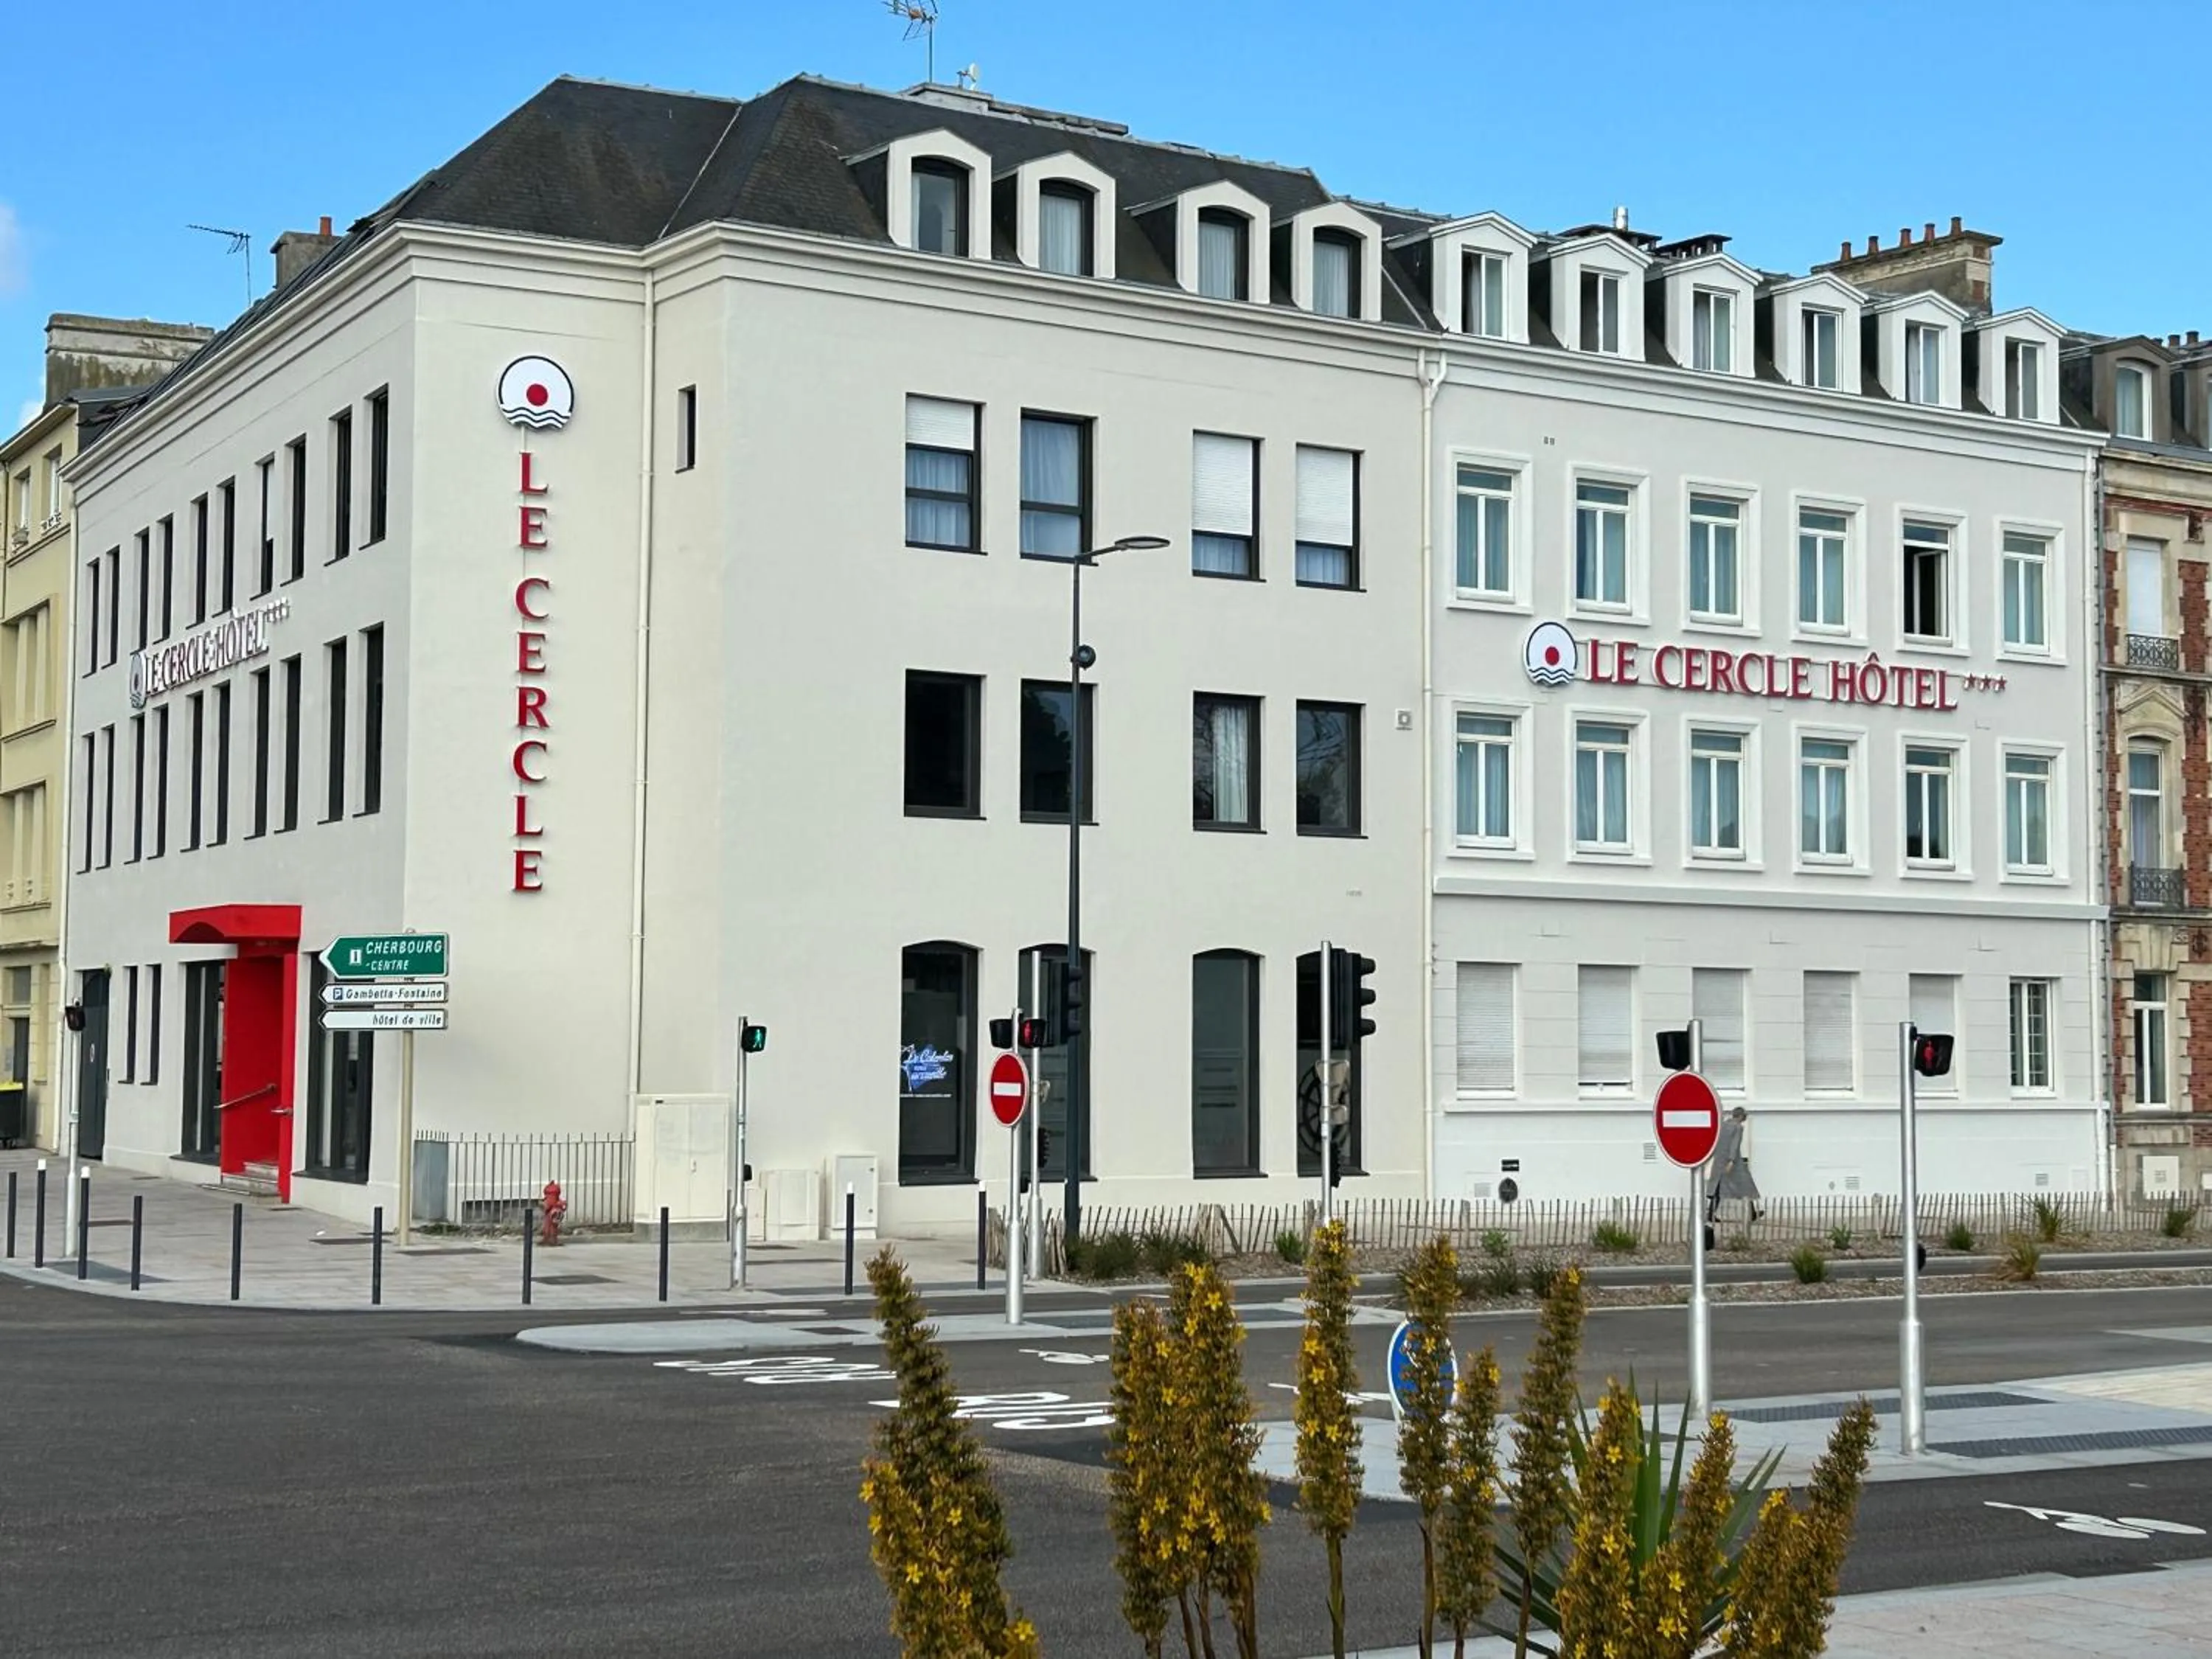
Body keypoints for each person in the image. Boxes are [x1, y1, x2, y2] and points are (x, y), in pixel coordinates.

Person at [1707, 1106, 1764, 1225]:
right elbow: (1735, 1144)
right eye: (1744, 1116)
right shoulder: (1738, 1128)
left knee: (1718, 1186)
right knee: (1746, 1184)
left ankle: (1711, 1213)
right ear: (1740, 1116)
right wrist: (1732, 1161)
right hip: (1733, 1162)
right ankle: (1752, 1213)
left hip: (1719, 1160)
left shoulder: (1722, 1126)